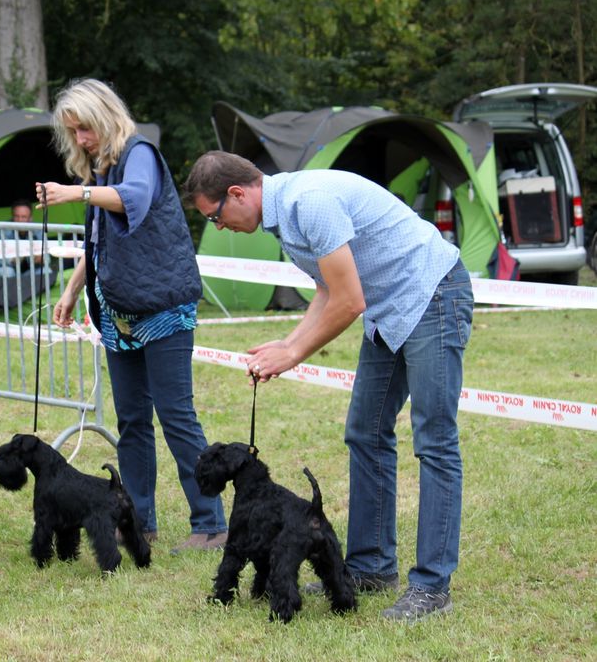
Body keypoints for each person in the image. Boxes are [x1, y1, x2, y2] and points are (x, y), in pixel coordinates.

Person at [183, 151, 474, 621]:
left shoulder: (308, 203)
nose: (218, 227)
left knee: (435, 442)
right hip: (390, 309)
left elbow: (350, 299)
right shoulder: (283, 218)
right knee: (365, 432)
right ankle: (370, 567)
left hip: (432, 294)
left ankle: (431, 587)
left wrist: (294, 354)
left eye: (215, 216)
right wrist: (289, 340)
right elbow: (327, 288)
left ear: (238, 194)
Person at [38, 79, 227, 554]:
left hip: (163, 308)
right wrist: (72, 288)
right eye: (73, 133)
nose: (80, 139)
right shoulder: (100, 168)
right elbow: (100, 240)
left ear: (105, 116)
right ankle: (138, 520)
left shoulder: (139, 153)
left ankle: (211, 522)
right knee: (133, 421)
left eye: (85, 128)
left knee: (176, 417)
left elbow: (135, 198)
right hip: (119, 313)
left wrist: (74, 195)